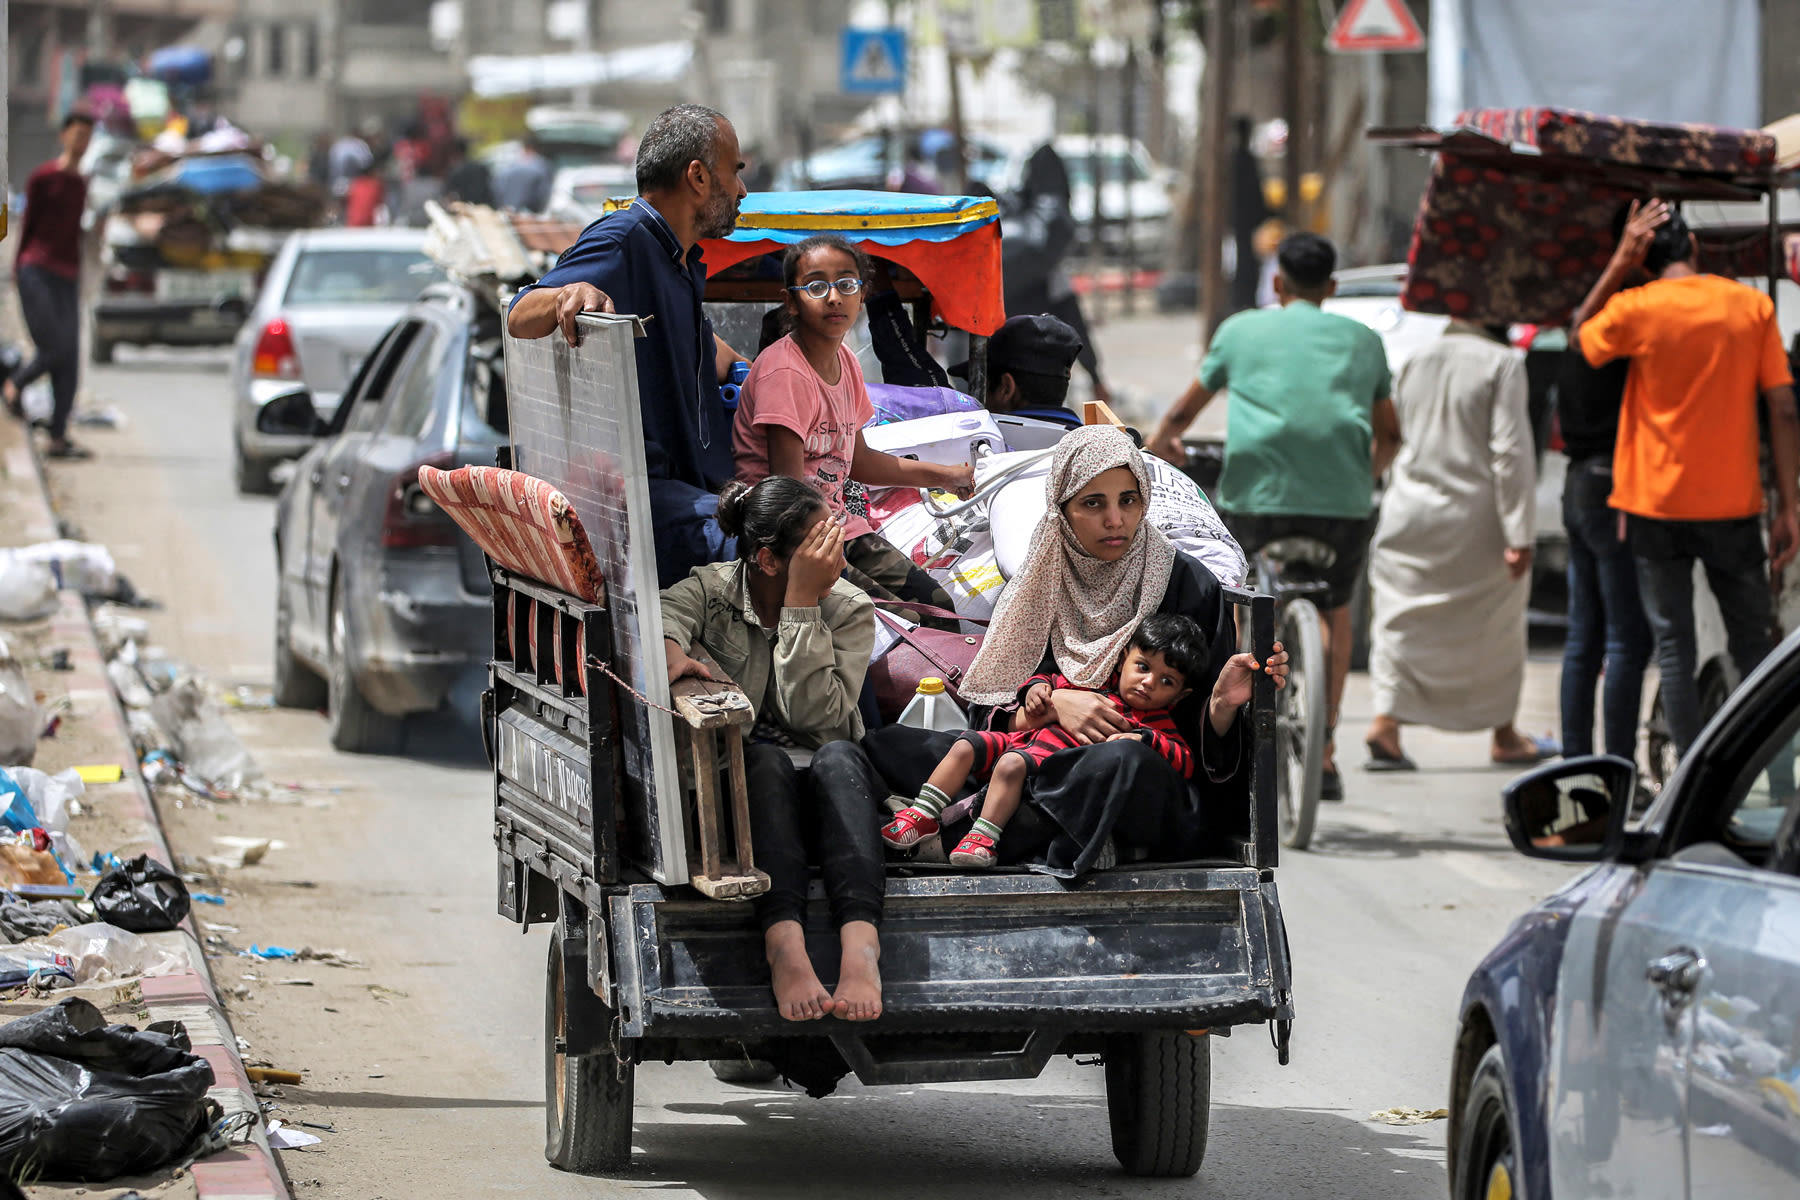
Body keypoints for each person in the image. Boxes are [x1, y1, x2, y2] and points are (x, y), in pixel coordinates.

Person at [824, 425, 1286, 877]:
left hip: (1132, 776)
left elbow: (1193, 742)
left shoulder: (1187, 583)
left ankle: (949, 836)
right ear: (1061, 510)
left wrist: (1222, 704)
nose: (1115, 520)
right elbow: (995, 711)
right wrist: (1058, 704)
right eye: (1093, 503)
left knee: (1116, 763)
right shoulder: (1041, 578)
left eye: (1129, 500)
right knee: (892, 745)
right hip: (1032, 755)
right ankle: (1030, 826)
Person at [1147, 232, 1399, 800]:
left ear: (1278, 283)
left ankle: (1233, 725)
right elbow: (1390, 435)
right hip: (1343, 503)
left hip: (1255, 496)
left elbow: (1182, 415)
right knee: (1335, 608)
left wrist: (1163, 449)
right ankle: (1327, 750)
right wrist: (1365, 476)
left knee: (1239, 599)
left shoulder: (1241, 330)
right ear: (1331, 287)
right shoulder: (1364, 339)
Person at [1576, 203, 1800, 759]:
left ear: (1644, 263)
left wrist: (1617, 266)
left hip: (1654, 505)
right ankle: (1771, 781)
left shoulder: (1636, 306)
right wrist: (1788, 506)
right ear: (1695, 247)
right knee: (1754, 646)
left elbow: (1583, 337)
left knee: (1675, 649)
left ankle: (1690, 785)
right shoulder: (1750, 307)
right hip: (1732, 504)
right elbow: (1784, 409)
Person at [658, 476, 884, 1021]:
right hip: (747, 801)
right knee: (759, 759)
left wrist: (803, 606)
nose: (835, 548)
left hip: (833, 793)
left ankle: (862, 948)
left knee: (841, 757)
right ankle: (784, 945)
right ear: (768, 560)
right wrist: (668, 649)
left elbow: (820, 718)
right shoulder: (713, 591)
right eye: (817, 541)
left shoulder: (847, 606)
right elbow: (665, 613)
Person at [507, 104, 750, 587]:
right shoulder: (624, 240)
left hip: (699, 490)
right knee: (779, 541)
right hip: (646, 504)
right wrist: (566, 294)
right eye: (735, 172)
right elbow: (519, 314)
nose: (742, 190)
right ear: (698, 177)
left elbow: (711, 352)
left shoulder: (676, 260)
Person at [735, 234, 972, 625]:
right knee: (897, 621)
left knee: (937, 607)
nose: (833, 298)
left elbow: (858, 462)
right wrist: (835, 564)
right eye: (816, 286)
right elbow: (786, 493)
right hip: (791, 539)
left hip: (839, 528)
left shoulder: (845, 361)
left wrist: (946, 476)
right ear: (791, 301)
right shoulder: (784, 374)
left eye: (846, 284)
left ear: (862, 295)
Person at [1361, 323, 1550, 769]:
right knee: (1495, 626)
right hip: (1477, 520)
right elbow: (1511, 453)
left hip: (1408, 509)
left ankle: (1386, 723)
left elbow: (1392, 435)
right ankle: (1503, 733)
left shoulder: (1414, 359)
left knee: (1398, 618)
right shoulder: (1503, 363)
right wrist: (1520, 532)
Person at [884, 613, 1205, 868]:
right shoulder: (1088, 682)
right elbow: (1049, 679)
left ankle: (982, 838)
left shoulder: (1153, 722)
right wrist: (1036, 691)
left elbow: (1185, 760)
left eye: (1166, 681)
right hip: (1020, 740)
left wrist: (1142, 739)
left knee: (1010, 765)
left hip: (1042, 768)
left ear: (1181, 695)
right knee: (965, 744)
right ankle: (923, 814)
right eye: (1142, 667)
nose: (1148, 683)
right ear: (1122, 660)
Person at [1557, 203, 1656, 761]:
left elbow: (1577, 331)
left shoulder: (1591, 319)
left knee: (1585, 636)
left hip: (1578, 486)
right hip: (1609, 484)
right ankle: (1615, 770)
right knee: (1625, 638)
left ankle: (1577, 764)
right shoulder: (1625, 324)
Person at [4, 111, 95, 461]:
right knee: (53, 346)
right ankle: (15, 384)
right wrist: (17, 272)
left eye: (87, 137)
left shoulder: (83, 184)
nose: (81, 142)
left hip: (67, 276)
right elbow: (27, 228)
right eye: (77, 135)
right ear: (64, 136)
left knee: (70, 358)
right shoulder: (43, 178)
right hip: (36, 269)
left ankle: (58, 436)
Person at [999, 143, 1111, 405]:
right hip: (1041, 377)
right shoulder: (1048, 264)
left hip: (996, 373)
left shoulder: (1006, 233)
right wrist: (1095, 376)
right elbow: (1075, 320)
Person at [493, 135, 552, 213]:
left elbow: (498, 187)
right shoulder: (541, 165)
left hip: (507, 208)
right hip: (529, 212)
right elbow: (543, 192)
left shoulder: (510, 164)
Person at [442, 138, 494, 208]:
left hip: (466, 210)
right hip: (485, 207)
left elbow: (450, 195)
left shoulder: (454, 171)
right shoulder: (481, 167)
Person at [342, 159, 385, 227]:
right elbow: (381, 205)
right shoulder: (376, 185)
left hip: (352, 224)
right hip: (367, 224)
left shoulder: (354, 185)